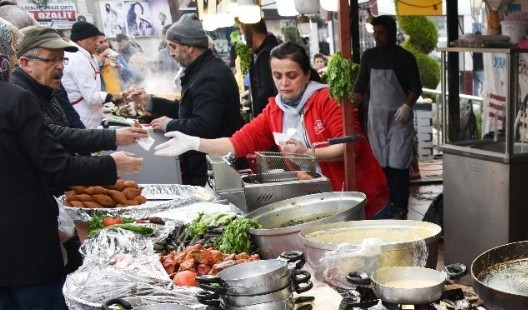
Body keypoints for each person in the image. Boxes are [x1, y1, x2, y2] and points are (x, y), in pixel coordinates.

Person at [0, 18, 142, 310]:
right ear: (9, 58)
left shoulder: (19, 97)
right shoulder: (15, 100)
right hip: (27, 234)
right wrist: (109, 165)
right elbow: (54, 166)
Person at [156, 42, 390, 218]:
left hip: (362, 199)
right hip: (322, 202)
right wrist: (194, 143)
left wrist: (307, 153)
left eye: (292, 76)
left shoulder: (328, 100)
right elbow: (236, 144)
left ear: (307, 75)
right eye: (277, 76)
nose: (284, 83)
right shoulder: (274, 111)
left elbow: (350, 148)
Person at [129, 14, 242, 185]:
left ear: (189, 46)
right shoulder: (199, 70)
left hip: (215, 167)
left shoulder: (210, 76)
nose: (171, 53)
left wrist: (169, 124)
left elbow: (204, 126)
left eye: (173, 47)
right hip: (206, 164)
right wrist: (150, 102)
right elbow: (186, 110)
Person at [352, 14, 421, 217]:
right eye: (375, 32)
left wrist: (407, 106)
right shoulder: (369, 57)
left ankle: (400, 208)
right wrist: (346, 108)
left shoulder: (405, 58)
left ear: (392, 32)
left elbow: (416, 87)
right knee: (380, 165)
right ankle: (385, 207)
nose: (377, 36)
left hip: (400, 119)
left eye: (381, 32)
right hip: (377, 120)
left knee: (399, 165)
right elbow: (359, 87)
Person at [62, 21, 114, 128]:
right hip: (84, 119)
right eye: (94, 39)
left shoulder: (82, 55)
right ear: (80, 40)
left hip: (89, 115)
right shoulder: (77, 59)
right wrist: (115, 97)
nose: (97, 43)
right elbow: (91, 97)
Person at [242, 19, 280, 118]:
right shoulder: (272, 48)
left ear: (251, 32)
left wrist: (252, 102)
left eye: (244, 34)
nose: (245, 39)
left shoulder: (265, 55)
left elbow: (267, 89)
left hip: (269, 114)